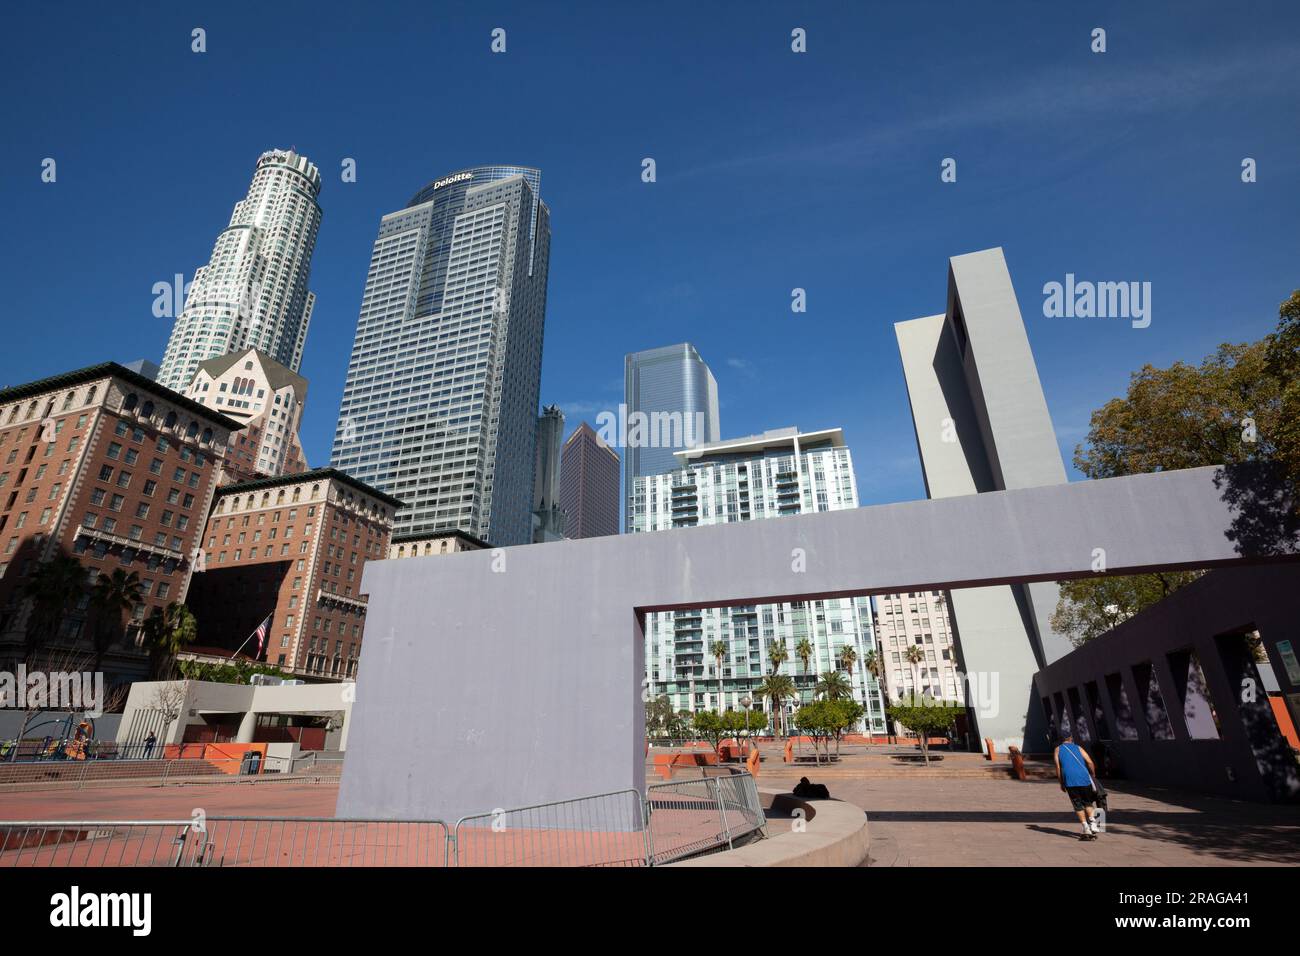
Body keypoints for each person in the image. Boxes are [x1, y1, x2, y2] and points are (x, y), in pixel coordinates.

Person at [1054, 731, 1101, 840]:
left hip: (1070, 780)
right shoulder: (1078, 748)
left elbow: (1058, 768)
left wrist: (1061, 783)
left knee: (1077, 804)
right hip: (1084, 778)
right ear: (1070, 738)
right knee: (1088, 802)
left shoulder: (1057, 750)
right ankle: (1094, 823)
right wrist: (1093, 774)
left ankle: (1086, 827)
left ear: (1061, 740)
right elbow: (1090, 762)